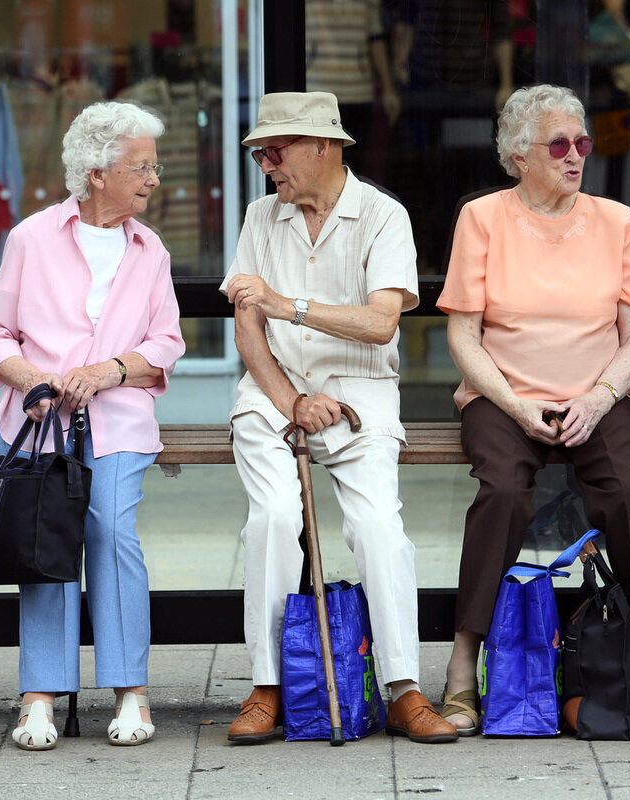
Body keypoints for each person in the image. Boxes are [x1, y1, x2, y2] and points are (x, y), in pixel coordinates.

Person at [219, 91, 457, 745]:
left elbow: (383, 324)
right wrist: (290, 399)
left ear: (324, 146)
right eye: (261, 151)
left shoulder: (382, 216)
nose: (267, 161)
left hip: (359, 390)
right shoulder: (260, 218)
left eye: (278, 149)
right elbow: (248, 335)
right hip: (274, 390)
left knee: (379, 526)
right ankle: (267, 684)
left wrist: (288, 304)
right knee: (272, 518)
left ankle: (404, 689)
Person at [436, 84, 630, 737]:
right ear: (518, 155)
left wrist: (598, 399)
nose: (577, 157)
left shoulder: (614, 219)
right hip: (503, 395)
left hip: (595, 398)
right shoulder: (482, 218)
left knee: (629, 494)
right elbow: (462, 335)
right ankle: (464, 661)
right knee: (505, 493)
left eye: (583, 144)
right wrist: (513, 404)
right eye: (560, 145)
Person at [0, 101, 186, 750]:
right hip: (38, 426)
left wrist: (109, 371)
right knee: (47, 545)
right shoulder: (33, 238)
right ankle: (41, 693)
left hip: (117, 420)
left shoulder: (150, 249)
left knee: (111, 531)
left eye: (154, 166)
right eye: (141, 166)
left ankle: (130, 689)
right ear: (97, 173)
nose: (154, 178)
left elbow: (166, 341)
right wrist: (32, 382)